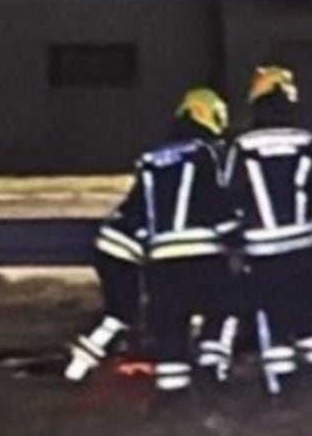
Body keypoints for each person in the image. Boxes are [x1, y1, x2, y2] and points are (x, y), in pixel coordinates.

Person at [65, 87, 241, 398]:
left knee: (168, 326)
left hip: (159, 259)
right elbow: (216, 200)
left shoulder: (150, 159)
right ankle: (214, 376)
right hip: (199, 253)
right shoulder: (209, 153)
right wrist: (236, 235)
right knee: (226, 307)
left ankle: (171, 397)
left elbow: (142, 208)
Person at [227, 65, 312, 390]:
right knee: (304, 307)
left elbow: (232, 191)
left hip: (261, 247)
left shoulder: (243, 146)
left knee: (271, 312)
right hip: (301, 245)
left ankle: (280, 382)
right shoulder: (307, 142)